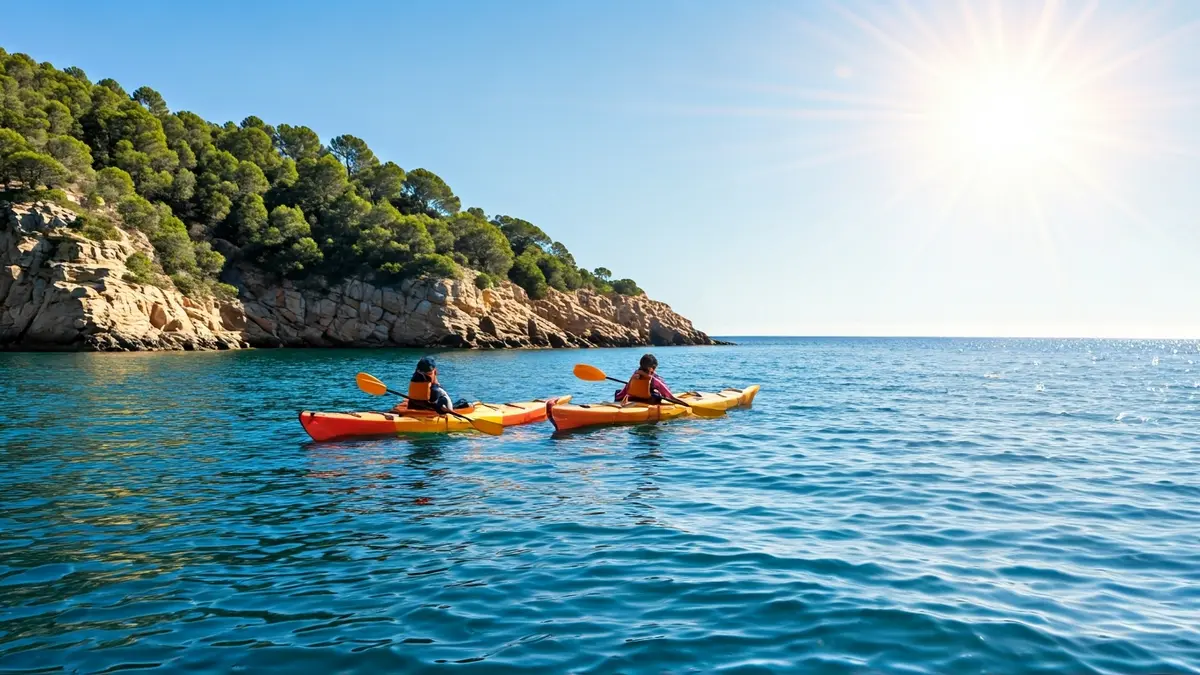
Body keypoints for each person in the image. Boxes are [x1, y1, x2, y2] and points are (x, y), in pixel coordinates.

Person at [403, 356, 467, 413]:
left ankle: (461, 404)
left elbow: (435, 399)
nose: (425, 374)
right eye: (423, 372)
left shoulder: (435, 389)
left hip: (430, 403)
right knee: (439, 392)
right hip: (419, 405)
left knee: (440, 392)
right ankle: (460, 404)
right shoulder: (417, 378)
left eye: (428, 372)